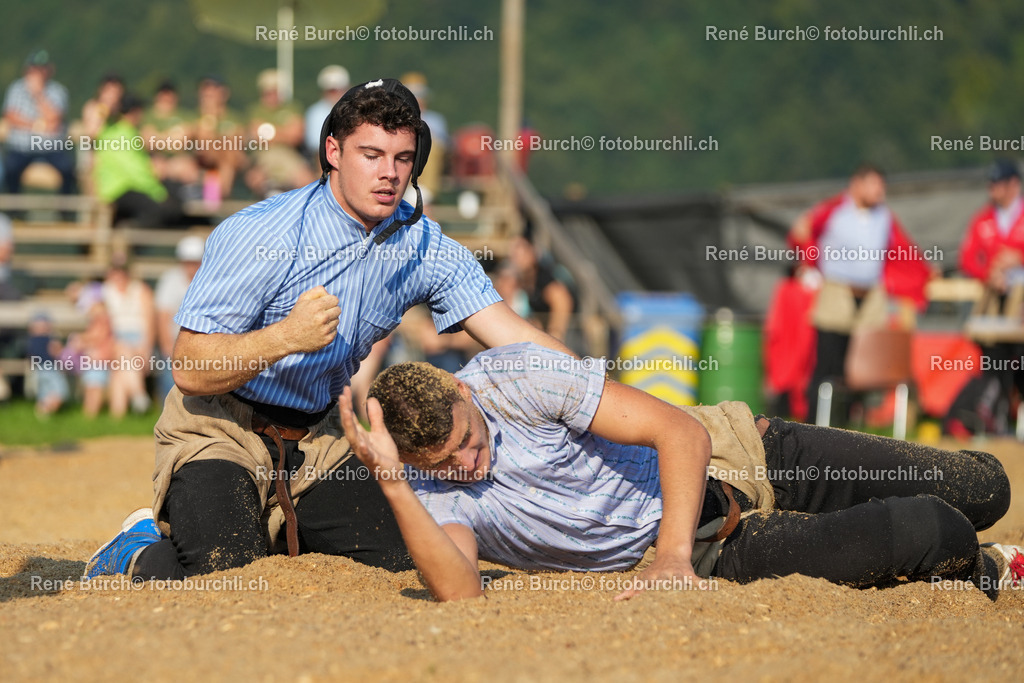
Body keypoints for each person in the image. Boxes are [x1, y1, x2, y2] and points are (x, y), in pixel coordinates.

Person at [83, 78, 574, 583]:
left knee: (414, 556)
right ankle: (136, 547)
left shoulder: (423, 243)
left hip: (321, 441)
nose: (389, 174)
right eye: (371, 154)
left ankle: (274, 529)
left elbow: (515, 338)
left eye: (403, 158)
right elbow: (187, 367)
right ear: (333, 151)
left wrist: (594, 392)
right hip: (219, 429)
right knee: (225, 572)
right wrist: (285, 337)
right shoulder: (261, 232)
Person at [341, 343, 1022, 603]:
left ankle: (981, 558)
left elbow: (679, 430)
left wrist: (667, 561)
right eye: (446, 464)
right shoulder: (424, 482)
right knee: (928, 526)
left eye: (466, 439)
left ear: (465, 391)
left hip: (742, 454)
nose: (468, 463)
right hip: (713, 544)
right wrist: (398, 483)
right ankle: (984, 566)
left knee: (985, 486)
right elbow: (460, 592)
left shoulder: (514, 377)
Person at [789, 164, 932, 420]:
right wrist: (810, 265)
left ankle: (848, 423)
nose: (880, 192)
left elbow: (902, 249)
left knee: (862, 366)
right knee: (828, 363)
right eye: (875, 185)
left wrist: (925, 274)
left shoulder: (884, 217)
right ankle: (814, 425)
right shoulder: (833, 210)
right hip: (838, 291)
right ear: (857, 184)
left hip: (871, 297)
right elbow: (802, 233)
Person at [947, 159, 1024, 436]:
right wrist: (987, 274)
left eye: (998, 183)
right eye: (990, 184)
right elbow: (967, 259)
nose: (992, 190)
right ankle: (996, 426)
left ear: (1013, 184)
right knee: (996, 363)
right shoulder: (983, 219)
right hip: (996, 307)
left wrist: (1019, 258)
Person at [92, 94, 185, 228]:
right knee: (166, 208)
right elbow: (136, 171)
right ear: (135, 112)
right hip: (122, 189)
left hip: (115, 189)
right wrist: (159, 193)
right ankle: (128, 240)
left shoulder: (111, 131)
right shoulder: (127, 134)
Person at [2, 50, 76, 196]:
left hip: (51, 148)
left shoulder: (58, 91)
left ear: (49, 70)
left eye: (42, 69)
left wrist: (38, 95)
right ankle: (14, 212)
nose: (38, 73)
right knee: (10, 169)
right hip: (20, 148)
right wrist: (38, 125)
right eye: (35, 69)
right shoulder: (16, 89)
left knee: (68, 170)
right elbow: (11, 116)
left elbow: (55, 120)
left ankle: (64, 214)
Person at [245, 69, 315, 197]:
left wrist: (270, 132)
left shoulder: (292, 107)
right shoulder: (255, 110)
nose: (272, 95)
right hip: (264, 156)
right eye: (268, 91)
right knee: (254, 179)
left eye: (275, 90)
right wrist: (284, 132)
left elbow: (296, 136)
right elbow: (256, 136)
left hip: (289, 155)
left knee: (308, 181)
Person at [101, 255, 155, 417]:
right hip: (114, 338)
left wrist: (146, 349)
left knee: (120, 369)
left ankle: (118, 415)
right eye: (115, 271)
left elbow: (149, 322)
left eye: (122, 271)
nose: (118, 275)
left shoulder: (141, 290)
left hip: (138, 338)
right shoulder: (105, 291)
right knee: (124, 353)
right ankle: (139, 396)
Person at [154, 235, 205, 401]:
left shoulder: (208, 280)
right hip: (176, 342)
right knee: (170, 386)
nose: (191, 266)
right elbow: (163, 316)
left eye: (195, 261)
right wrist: (167, 346)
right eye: (188, 261)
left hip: (202, 343)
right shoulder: (171, 279)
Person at [26, 312, 69, 417]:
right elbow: (56, 352)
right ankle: (50, 409)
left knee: (44, 392)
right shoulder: (49, 340)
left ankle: (42, 413)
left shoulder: (30, 341)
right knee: (60, 391)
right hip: (50, 368)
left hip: (39, 370)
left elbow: (31, 358)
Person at [304, 65, 349, 159]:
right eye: (331, 90)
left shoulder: (356, 109)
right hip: (326, 157)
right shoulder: (315, 113)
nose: (335, 94)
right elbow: (317, 147)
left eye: (337, 90)